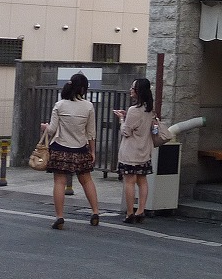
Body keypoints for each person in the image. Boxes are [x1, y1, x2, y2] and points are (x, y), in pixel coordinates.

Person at [40, 72, 101, 229]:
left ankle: (60, 216)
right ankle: (95, 212)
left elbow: (52, 130)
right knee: (86, 180)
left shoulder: (60, 105)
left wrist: (44, 127)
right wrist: (92, 151)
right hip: (80, 149)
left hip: (60, 148)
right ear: (83, 89)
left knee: (59, 182)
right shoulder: (88, 106)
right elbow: (91, 133)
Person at [113, 77, 156, 223]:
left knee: (129, 181)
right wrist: (127, 116)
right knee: (142, 181)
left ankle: (130, 212)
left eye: (133, 88)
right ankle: (141, 210)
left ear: (138, 91)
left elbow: (126, 131)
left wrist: (121, 119)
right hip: (144, 150)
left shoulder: (134, 110)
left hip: (130, 152)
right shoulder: (149, 109)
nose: (130, 90)